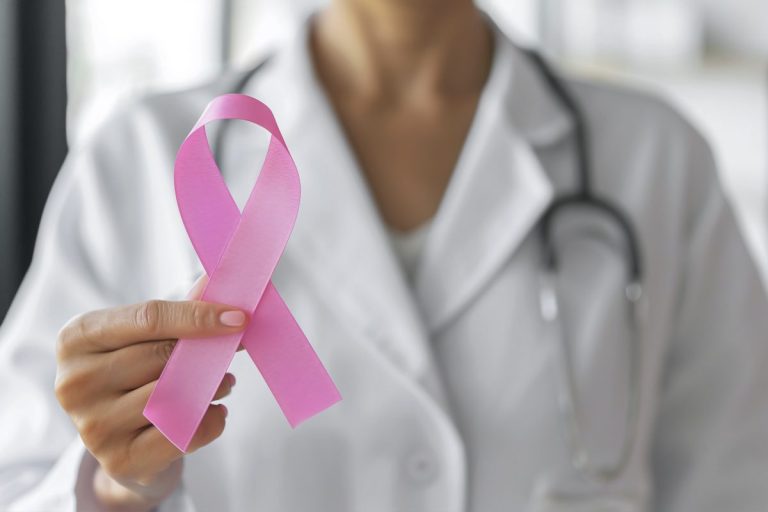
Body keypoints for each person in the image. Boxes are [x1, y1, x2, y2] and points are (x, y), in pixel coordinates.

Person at [2, 0, 768, 511]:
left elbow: (739, 483)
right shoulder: (137, 160)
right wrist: (109, 487)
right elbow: (21, 479)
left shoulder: (657, 163)